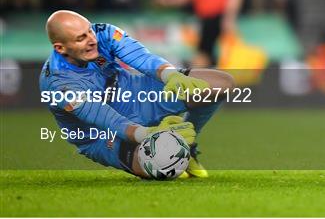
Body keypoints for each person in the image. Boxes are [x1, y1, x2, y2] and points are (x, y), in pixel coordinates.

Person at [39, 10, 235, 179]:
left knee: (221, 84)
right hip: (101, 134)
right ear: (60, 48)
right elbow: (108, 120)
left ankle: (188, 146)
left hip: (136, 93)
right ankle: (174, 147)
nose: (91, 39)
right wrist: (149, 134)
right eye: (81, 38)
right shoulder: (58, 84)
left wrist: (171, 75)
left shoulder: (102, 33)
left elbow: (140, 57)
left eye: (89, 30)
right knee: (164, 165)